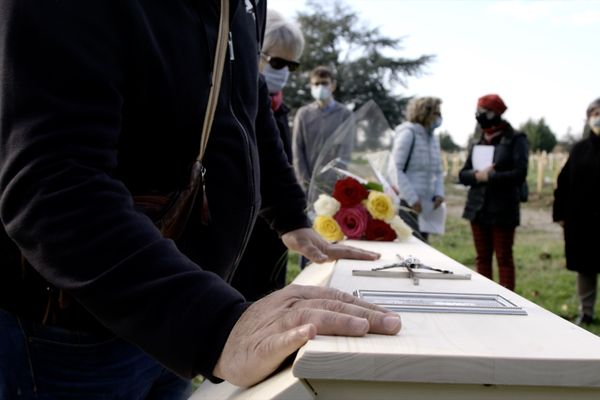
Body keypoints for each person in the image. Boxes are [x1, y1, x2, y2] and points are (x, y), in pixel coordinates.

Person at [0, 1, 402, 399]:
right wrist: (213, 327)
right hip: (74, 328)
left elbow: (249, 102)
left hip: (183, 306)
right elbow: (53, 181)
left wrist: (290, 217)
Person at [232, 9, 304, 300]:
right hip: (240, 233)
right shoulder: (235, 104)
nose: (282, 71)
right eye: (275, 61)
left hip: (274, 234)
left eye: (291, 65)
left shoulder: (280, 111)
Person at [459, 94, 528, 291]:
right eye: (478, 111)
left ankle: (507, 298)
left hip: (503, 208)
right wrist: (476, 176)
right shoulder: (477, 140)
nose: (479, 116)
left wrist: (491, 178)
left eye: (484, 112)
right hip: (478, 208)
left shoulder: (515, 139)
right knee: (482, 257)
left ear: (496, 113)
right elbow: (463, 174)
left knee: (504, 258)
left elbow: (520, 173)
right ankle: (485, 296)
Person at [553, 97, 600, 325]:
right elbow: (563, 183)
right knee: (586, 269)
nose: (598, 118)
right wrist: (560, 213)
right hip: (583, 222)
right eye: (595, 113)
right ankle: (587, 312)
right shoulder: (580, 149)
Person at [386, 97, 445, 242]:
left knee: (423, 245)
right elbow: (395, 169)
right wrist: (412, 199)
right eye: (436, 113)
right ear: (424, 113)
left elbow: (437, 170)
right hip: (407, 203)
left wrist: (439, 193)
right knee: (409, 245)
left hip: (427, 204)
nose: (439, 117)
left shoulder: (433, 138)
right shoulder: (408, 134)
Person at [292, 66, 354, 192]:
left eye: (324, 83)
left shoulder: (345, 114)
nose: (320, 87)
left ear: (333, 85)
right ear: (311, 86)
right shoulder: (303, 114)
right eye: (316, 84)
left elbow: (345, 151)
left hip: (334, 185)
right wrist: (305, 181)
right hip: (308, 185)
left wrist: (334, 181)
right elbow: (297, 150)